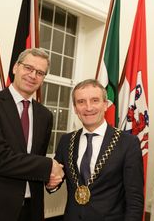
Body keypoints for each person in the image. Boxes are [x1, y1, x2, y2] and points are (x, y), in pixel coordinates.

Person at [0, 48, 64, 221]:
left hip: (31, 210)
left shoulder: (45, 115)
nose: (33, 75)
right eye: (28, 68)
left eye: (40, 72)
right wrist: (48, 166)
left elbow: (35, 159)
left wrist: (50, 181)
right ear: (16, 67)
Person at [51, 79, 144, 221]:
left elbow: (135, 199)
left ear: (105, 105)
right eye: (81, 102)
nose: (88, 108)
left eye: (95, 100)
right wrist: (50, 183)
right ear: (75, 108)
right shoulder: (66, 141)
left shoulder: (128, 143)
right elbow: (55, 181)